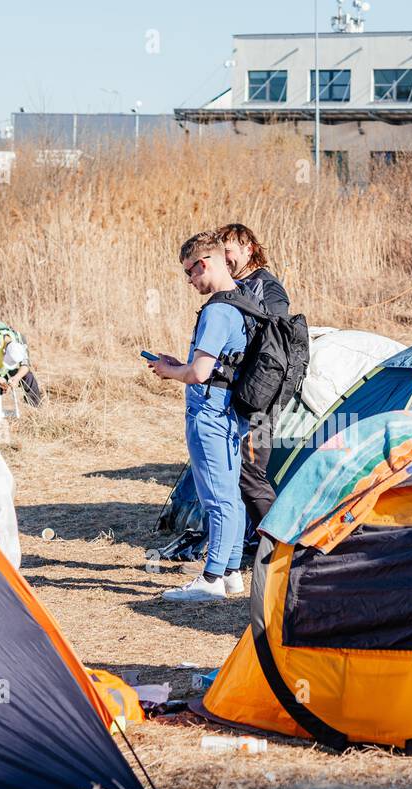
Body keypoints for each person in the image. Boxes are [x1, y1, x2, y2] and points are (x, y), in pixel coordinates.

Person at [148, 231, 250, 602]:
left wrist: (169, 371)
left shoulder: (218, 311)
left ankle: (210, 580)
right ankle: (232, 572)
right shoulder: (242, 300)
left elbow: (200, 373)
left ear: (203, 264)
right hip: (230, 412)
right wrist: (182, 364)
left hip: (209, 413)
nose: (190, 282)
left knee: (216, 499)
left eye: (190, 273)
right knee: (231, 497)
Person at [217, 223, 292, 547]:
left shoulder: (268, 288)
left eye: (229, 252)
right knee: (236, 470)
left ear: (248, 248)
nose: (225, 259)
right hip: (240, 393)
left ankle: (281, 545)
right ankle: (253, 538)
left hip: (261, 398)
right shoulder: (235, 285)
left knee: (250, 473)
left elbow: (275, 343)